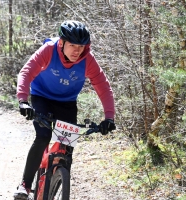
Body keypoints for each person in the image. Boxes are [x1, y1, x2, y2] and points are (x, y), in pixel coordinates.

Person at [13, 20, 116, 200]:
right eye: (72, 45)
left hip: (67, 103)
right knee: (43, 136)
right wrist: (23, 100)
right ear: (61, 43)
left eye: (81, 46)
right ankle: (25, 185)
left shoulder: (88, 61)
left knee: (67, 149)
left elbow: (103, 86)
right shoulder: (49, 50)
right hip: (41, 97)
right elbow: (26, 72)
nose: (77, 50)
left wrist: (109, 118)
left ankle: (59, 184)